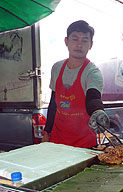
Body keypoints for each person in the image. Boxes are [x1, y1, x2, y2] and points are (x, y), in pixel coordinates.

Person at [41, 20, 109, 148]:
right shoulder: (57, 68)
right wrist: (47, 132)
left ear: (91, 45)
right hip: (57, 141)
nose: (79, 45)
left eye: (84, 40)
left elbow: (93, 97)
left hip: (84, 144)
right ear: (66, 41)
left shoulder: (92, 72)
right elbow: (54, 104)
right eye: (75, 39)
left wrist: (98, 111)